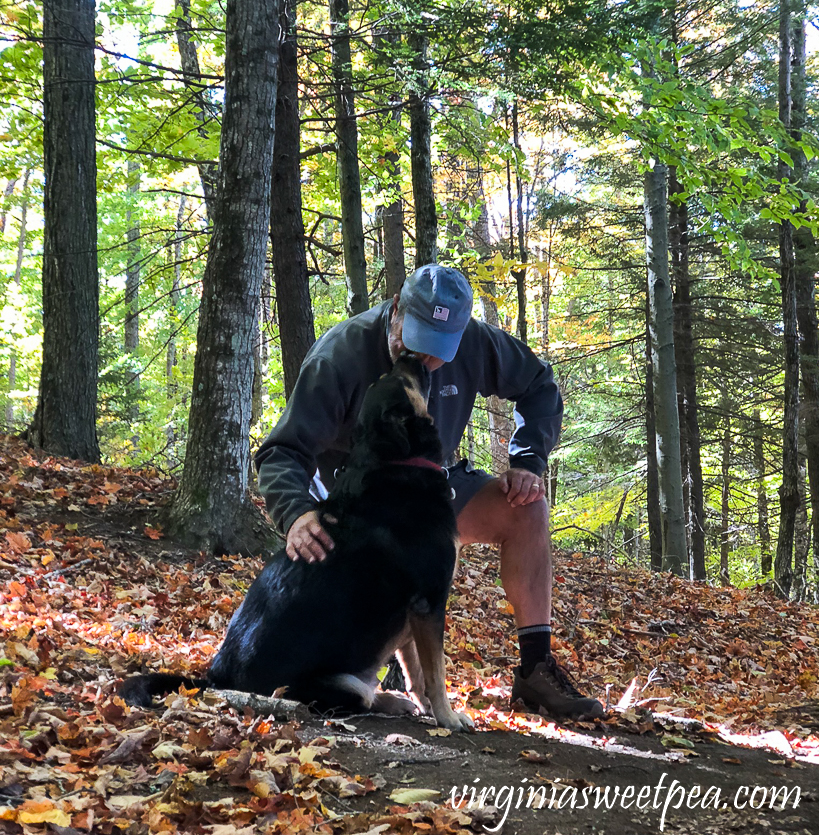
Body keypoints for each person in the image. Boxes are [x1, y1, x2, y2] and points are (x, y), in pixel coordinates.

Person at [255, 264, 605, 720]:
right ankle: (357, 675)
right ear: (396, 308)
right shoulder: (338, 357)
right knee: (374, 573)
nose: (424, 360)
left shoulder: (478, 343)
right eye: (414, 341)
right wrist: (296, 512)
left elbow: (540, 383)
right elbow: (283, 450)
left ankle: (535, 669)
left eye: (439, 352)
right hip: (357, 504)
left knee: (527, 509)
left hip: (431, 488)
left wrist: (528, 461)